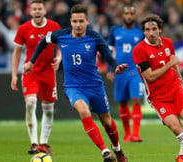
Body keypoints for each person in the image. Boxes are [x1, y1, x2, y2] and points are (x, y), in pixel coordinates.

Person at [24, 4, 128, 162]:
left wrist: (115, 67)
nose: (78, 25)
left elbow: (108, 55)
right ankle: (105, 152)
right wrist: (32, 61)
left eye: (81, 21)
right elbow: (42, 43)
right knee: (84, 111)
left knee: (107, 121)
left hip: (94, 85)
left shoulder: (94, 37)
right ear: (71, 22)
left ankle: (117, 149)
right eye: (75, 21)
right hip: (73, 87)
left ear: (87, 21)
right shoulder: (60, 35)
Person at [132, 14, 183, 162]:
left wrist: (182, 83)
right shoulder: (139, 50)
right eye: (147, 30)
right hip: (158, 96)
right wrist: (169, 64)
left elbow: (174, 64)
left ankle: (182, 154)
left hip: (175, 87)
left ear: (160, 29)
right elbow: (150, 77)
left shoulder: (168, 43)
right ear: (143, 31)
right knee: (176, 127)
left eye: (154, 29)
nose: (151, 33)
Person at [11, 0, 61, 154]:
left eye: (40, 8)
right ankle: (34, 143)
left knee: (49, 110)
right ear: (30, 12)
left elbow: (60, 47)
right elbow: (17, 52)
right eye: (34, 9)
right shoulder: (23, 29)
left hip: (48, 73)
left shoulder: (54, 27)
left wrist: (59, 58)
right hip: (30, 72)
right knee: (30, 104)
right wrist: (14, 75)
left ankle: (44, 143)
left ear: (45, 11)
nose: (37, 11)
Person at [107, 4, 144, 143]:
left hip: (135, 70)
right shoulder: (114, 31)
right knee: (122, 103)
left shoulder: (140, 32)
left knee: (136, 99)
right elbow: (109, 51)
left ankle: (136, 134)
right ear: (123, 15)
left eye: (131, 14)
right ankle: (127, 134)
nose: (129, 16)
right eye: (126, 13)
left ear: (134, 16)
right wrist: (110, 69)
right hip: (120, 70)